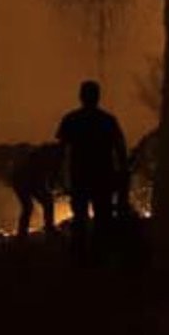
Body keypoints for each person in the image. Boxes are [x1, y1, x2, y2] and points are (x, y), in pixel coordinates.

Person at [55, 80, 128, 255]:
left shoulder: (71, 119)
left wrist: (59, 176)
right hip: (103, 177)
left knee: (80, 218)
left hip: (80, 176)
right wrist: (122, 173)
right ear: (98, 97)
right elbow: (120, 148)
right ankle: (101, 255)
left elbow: (61, 150)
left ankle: (79, 256)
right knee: (103, 218)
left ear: (81, 97)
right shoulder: (108, 121)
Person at [11, 143, 64, 238]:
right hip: (24, 180)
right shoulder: (52, 156)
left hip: (24, 179)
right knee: (31, 206)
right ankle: (45, 229)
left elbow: (52, 176)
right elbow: (45, 175)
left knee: (37, 204)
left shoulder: (51, 153)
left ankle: (24, 233)